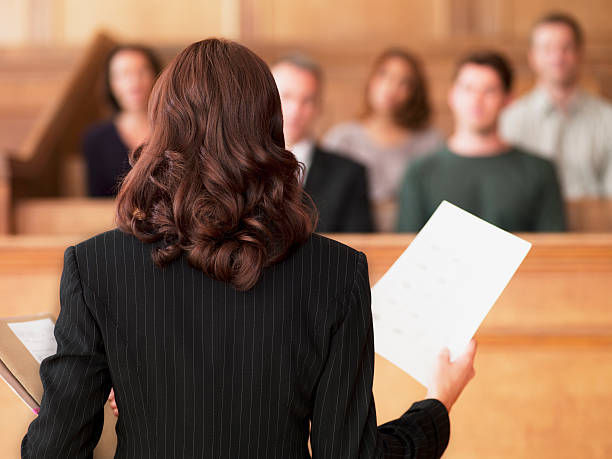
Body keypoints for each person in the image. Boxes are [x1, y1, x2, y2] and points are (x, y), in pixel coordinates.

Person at [22, 39, 476, 458]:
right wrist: (437, 404)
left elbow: (53, 451)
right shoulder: (337, 272)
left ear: (162, 129)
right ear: (270, 128)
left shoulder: (95, 265)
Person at [397, 51, 566, 233]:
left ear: (508, 100)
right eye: (468, 89)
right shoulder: (420, 172)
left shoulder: (539, 171)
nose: (476, 100)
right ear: (452, 95)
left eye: (489, 91)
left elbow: (553, 250)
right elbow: (405, 248)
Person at [323, 48, 444, 231]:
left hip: (412, 236)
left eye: (404, 82)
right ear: (371, 80)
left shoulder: (429, 141)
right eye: (384, 75)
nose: (391, 87)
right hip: (353, 237)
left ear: (414, 93)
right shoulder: (342, 139)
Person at [501, 12, 612, 198]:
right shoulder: (509, 120)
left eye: (566, 47)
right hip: (529, 225)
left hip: (595, 222)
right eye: (547, 49)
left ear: (579, 53)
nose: (557, 57)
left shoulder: (607, 119)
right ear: (532, 56)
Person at [271, 53, 374, 233]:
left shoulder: (349, 174)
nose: (296, 110)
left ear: (319, 107)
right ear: (267, 100)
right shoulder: (241, 166)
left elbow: (361, 246)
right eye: (286, 96)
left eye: (307, 100)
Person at [82, 44, 161, 197]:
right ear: (111, 84)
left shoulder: (174, 130)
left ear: (157, 77)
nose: (134, 82)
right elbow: (94, 200)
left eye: (142, 71)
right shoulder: (96, 139)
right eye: (124, 74)